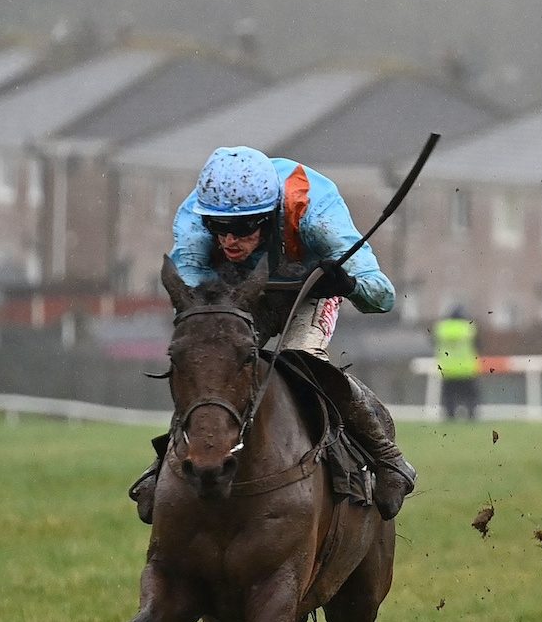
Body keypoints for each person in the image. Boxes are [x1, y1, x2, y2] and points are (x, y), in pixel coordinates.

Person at [130, 146, 418, 521]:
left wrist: (346, 284)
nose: (230, 240)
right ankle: (164, 463)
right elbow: (193, 309)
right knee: (209, 362)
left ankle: (388, 458)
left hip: (306, 294)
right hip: (240, 292)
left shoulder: (315, 211)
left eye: (244, 228)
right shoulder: (194, 222)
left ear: (270, 215)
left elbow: (383, 297)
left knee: (304, 361)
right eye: (220, 229)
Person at [434, 305, 482, 421]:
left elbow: (433, 343)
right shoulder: (469, 328)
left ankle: (450, 418)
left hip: (448, 370)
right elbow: (478, 345)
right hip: (467, 369)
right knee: (470, 397)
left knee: (449, 397)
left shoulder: (441, 328)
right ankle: (471, 417)